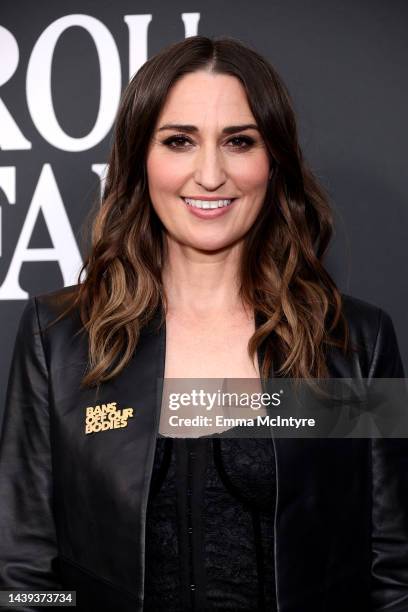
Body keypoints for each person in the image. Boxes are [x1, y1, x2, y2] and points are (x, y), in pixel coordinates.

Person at [0, 35, 406, 612]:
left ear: (274, 161)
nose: (210, 174)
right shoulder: (58, 336)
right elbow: (24, 574)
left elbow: (391, 571)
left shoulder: (356, 343)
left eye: (239, 141)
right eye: (179, 141)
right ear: (142, 158)